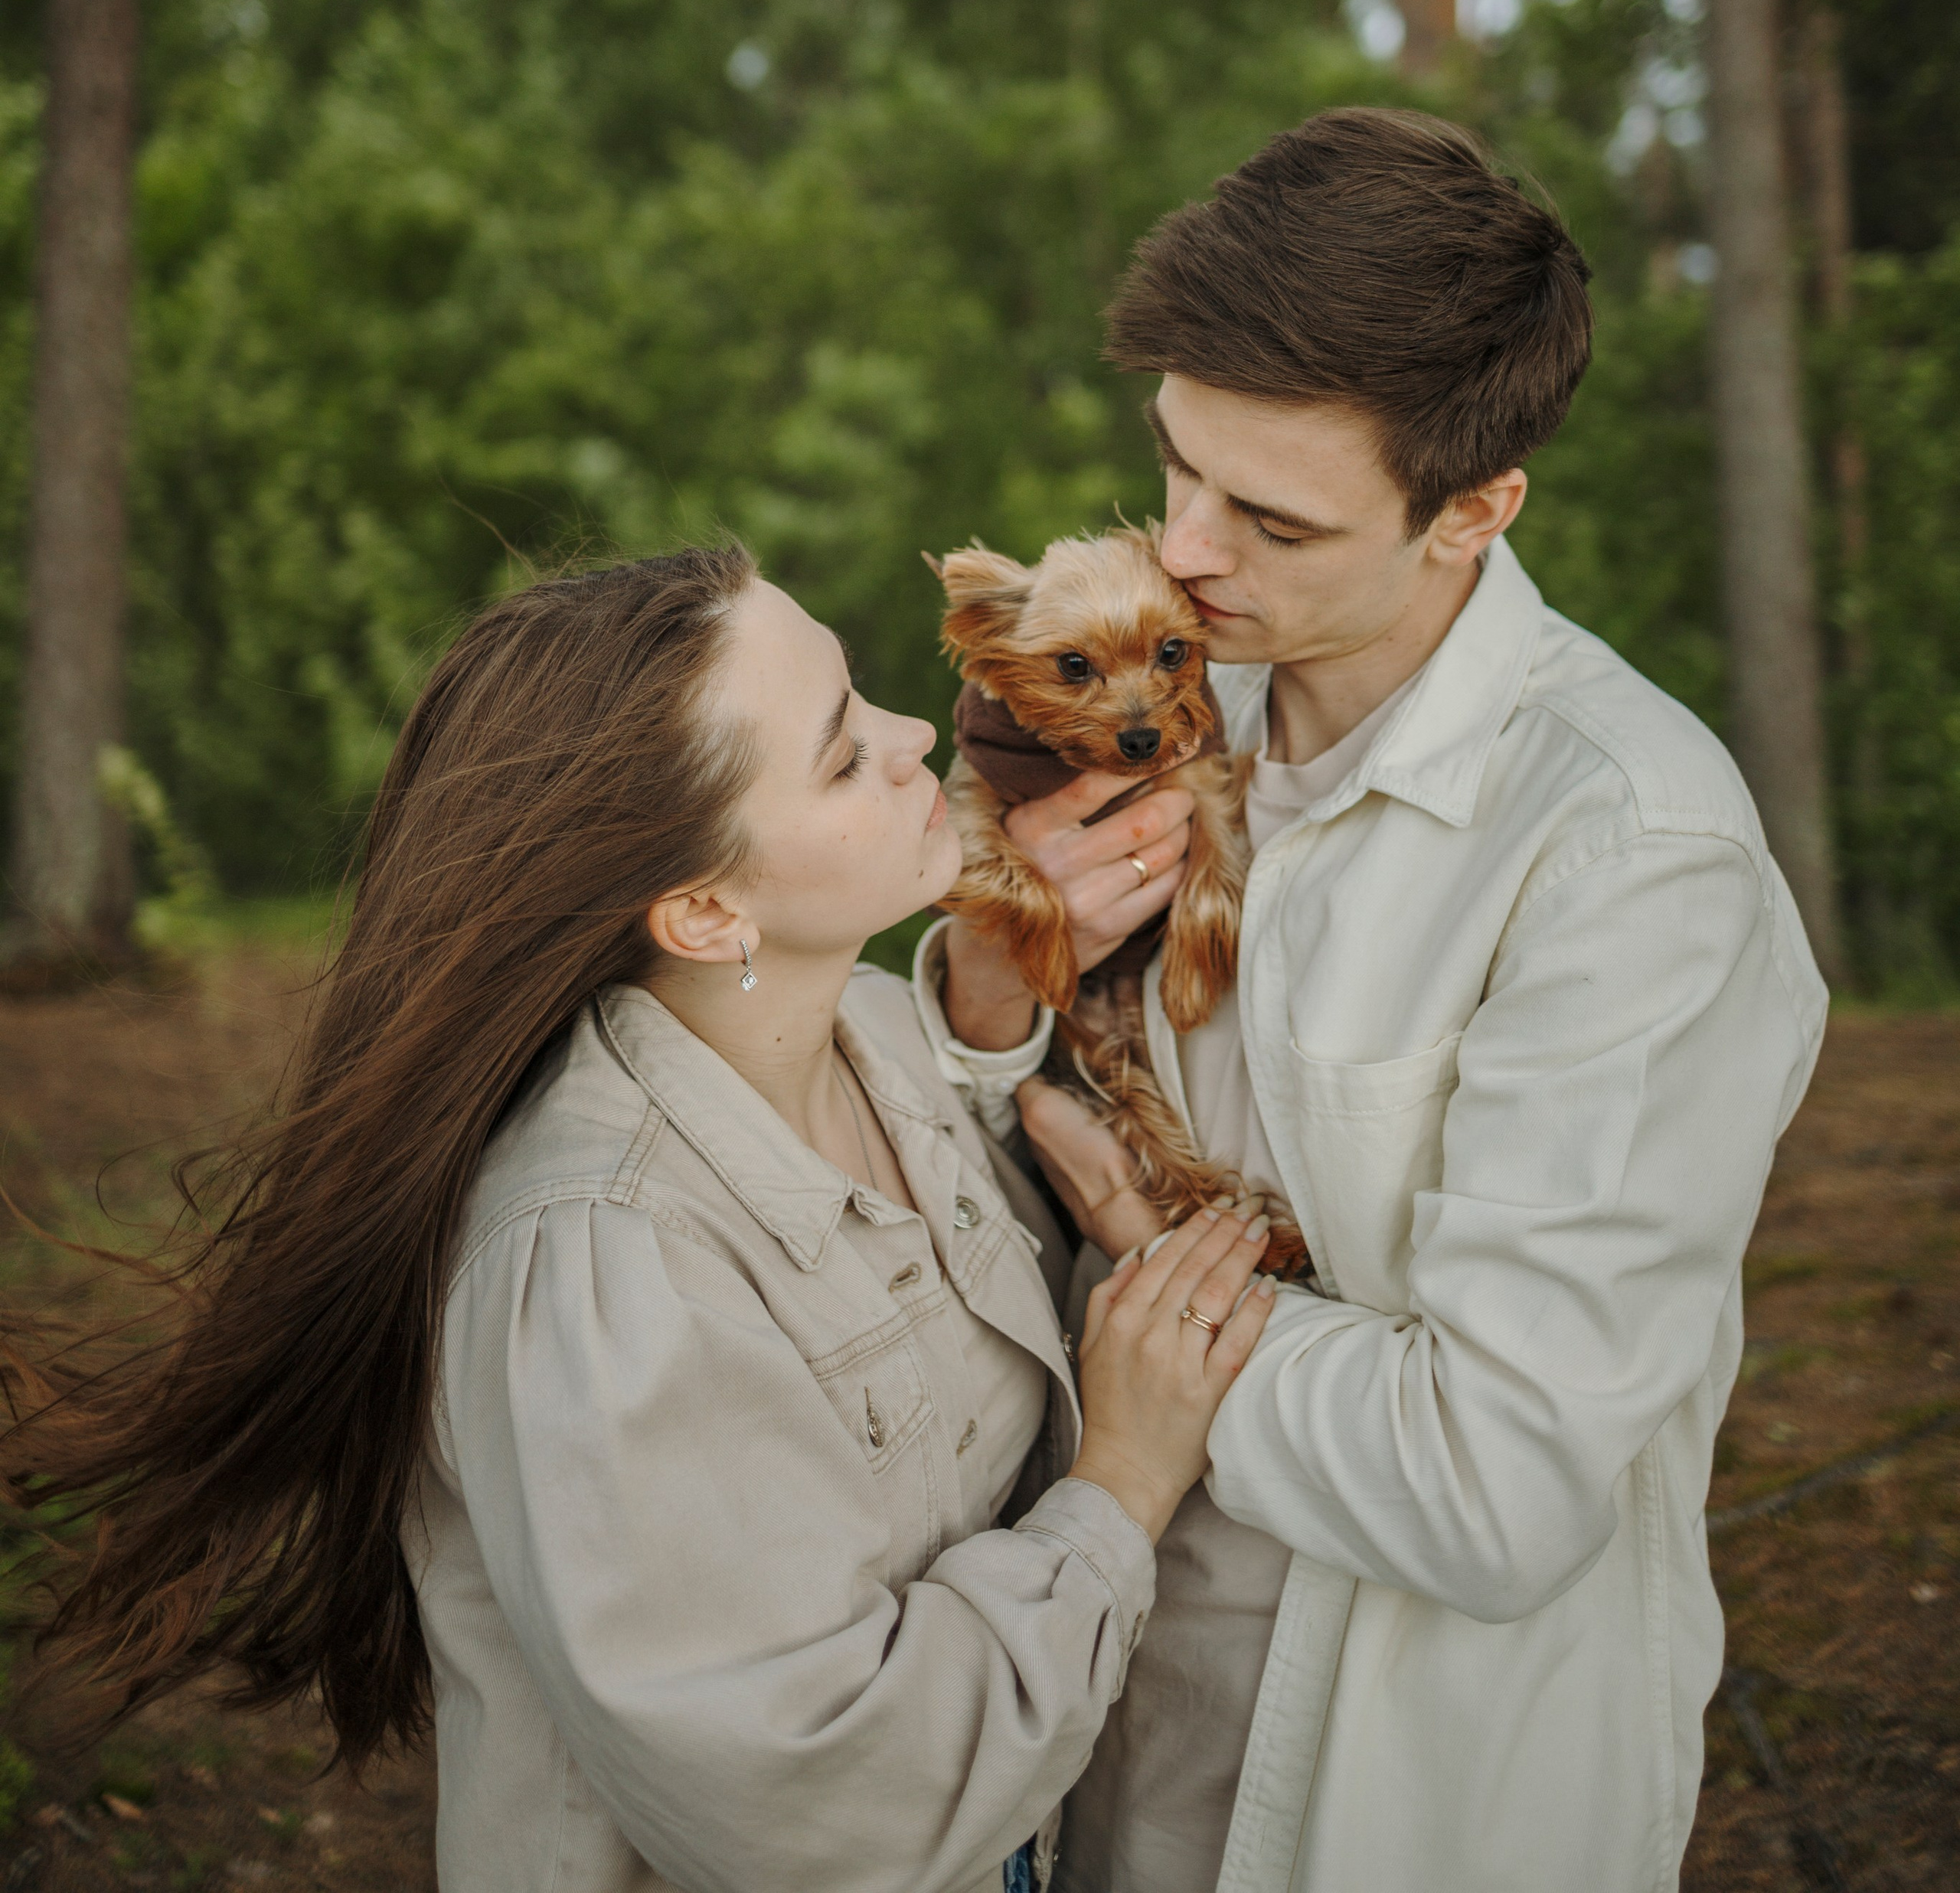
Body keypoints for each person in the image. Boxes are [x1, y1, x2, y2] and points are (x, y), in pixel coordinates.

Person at [5, 546, 1276, 1893]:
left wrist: (992, 999)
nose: (917, 735)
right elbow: (824, 1808)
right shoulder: (609, 1262)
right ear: (706, 906)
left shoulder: (872, 1032)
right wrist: (1122, 1489)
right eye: (845, 756)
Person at [921, 108, 1829, 1893]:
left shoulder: (1627, 855)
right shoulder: (1163, 699)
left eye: (1265, 517)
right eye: (1174, 464)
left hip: (1390, 1781)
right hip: (1082, 1719)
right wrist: (978, 995)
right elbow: (944, 1185)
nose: (1181, 552)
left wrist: (1142, 1270)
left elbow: (1495, 1483)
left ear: (1470, 512)